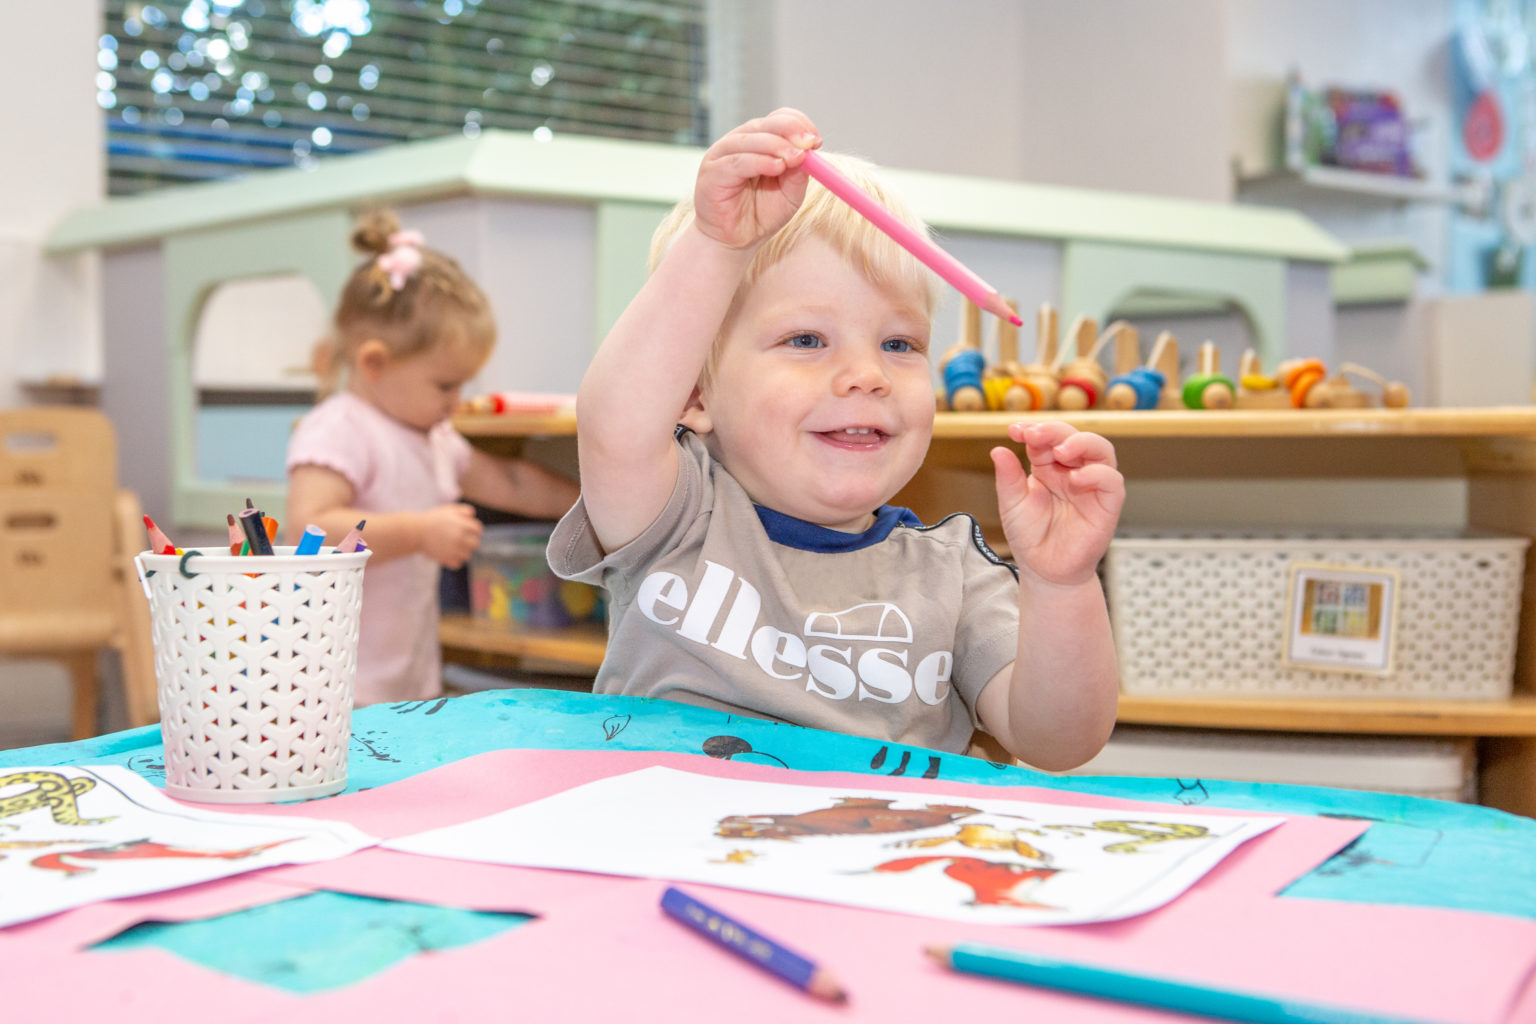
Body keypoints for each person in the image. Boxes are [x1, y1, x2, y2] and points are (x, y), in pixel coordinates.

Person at [548, 109, 1124, 770]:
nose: (866, 375)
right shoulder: (675, 519)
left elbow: (1059, 742)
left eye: (900, 343)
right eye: (807, 340)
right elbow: (613, 423)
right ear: (695, 395)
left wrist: (1063, 584)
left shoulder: (956, 575)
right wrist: (717, 245)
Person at [287, 209, 581, 705]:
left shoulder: (435, 436)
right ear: (375, 363)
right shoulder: (340, 428)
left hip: (407, 677)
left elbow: (511, 483)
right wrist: (420, 533)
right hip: (330, 681)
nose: (456, 399)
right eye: (444, 384)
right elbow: (308, 528)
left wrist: (591, 501)